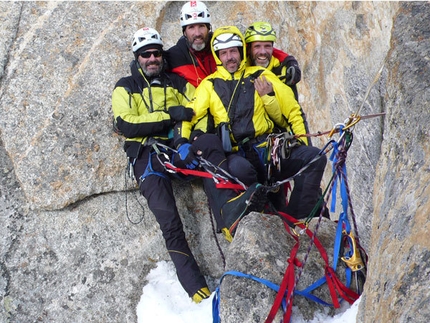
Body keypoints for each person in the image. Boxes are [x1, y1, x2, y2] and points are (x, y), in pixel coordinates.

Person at [175, 26, 327, 234]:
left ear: (241, 52)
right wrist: (181, 142)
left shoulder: (260, 74)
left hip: (267, 149)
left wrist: (302, 143)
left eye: (233, 51)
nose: (230, 57)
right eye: (224, 53)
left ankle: (295, 219)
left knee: (314, 158)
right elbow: (188, 115)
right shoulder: (209, 85)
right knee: (240, 171)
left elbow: (292, 110)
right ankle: (259, 221)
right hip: (238, 153)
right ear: (218, 55)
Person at [111, 27, 211, 303]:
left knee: (215, 174)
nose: (152, 58)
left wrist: (193, 137)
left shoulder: (177, 82)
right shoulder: (125, 86)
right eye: (146, 54)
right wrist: (170, 116)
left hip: (178, 147)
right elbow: (126, 124)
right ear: (137, 57)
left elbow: (197, 111)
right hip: (146, 156)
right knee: (169, 219)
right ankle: (194, 286)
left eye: (156, 53)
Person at [244, 21, 301, 101]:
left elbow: (292, 109)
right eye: (257, 46)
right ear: (249, 49)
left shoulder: (284, 72)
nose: (262, 52)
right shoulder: (239, 68)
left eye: (267, 46)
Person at [165, 1, 216, 88]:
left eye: (201, 26)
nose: (197, 33)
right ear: (184, 32)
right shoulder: (173, 57)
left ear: (208, 29)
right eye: (191, 27)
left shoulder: (222, 49)